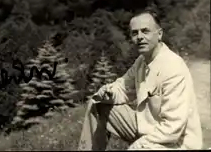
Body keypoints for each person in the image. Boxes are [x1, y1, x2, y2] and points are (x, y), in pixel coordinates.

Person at [78, 8, 203, 150]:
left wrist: (138, 146)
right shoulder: (141, 61)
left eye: (145, 31)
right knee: (98, 103)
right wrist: (109, 93)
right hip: (148, 129)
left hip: (176, 143)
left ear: (159, 34)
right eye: (134, 33)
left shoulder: (173, 67)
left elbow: (172, 128)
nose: (139, 37)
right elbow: (123, 88)